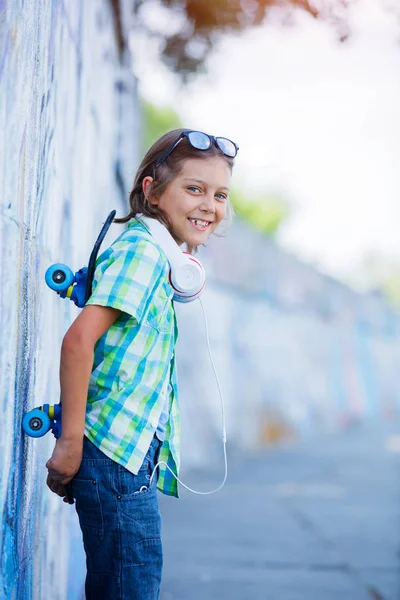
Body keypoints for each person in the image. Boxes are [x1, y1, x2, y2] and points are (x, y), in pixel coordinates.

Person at [45, 129, 238, 599]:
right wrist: (70, 443)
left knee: (123, 582)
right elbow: (78, 342)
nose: (209, 206)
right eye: (194, 189)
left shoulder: (157, 255)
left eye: (220, 194)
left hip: (125, 457)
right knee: (131, 584)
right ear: (152, 190)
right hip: (112, 455)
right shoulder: (142, 254)